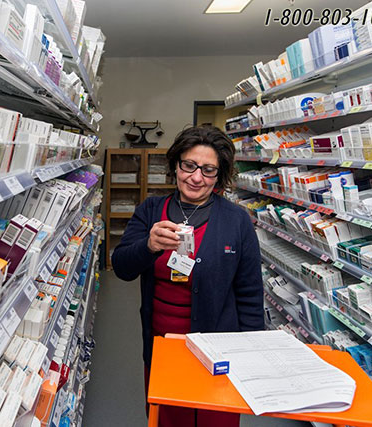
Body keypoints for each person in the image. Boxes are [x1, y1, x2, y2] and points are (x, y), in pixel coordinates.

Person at [112, 125, 264, 427]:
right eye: (189, 166)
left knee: (215, 420)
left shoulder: (236, 220)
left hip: (218, 349)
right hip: (162, 347)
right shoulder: (151, 209)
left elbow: (249, 293)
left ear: (219, 175)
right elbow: (122, 267)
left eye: (208, 170)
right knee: (167, 418)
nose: (196, 177)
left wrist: (251, 354)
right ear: (175, 165)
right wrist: (149, 245)